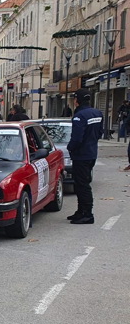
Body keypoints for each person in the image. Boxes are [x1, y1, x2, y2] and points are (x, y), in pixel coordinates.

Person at [67, 88, 103, 224]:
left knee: (82, 185)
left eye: (75, 98)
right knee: (81, 184)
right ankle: (81, 211)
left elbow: (77, 138)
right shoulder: (97, 113)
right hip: (91, 153)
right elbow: (100, 133)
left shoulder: (79, 116)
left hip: (81, 156)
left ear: (77, 100)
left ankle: (87, 214)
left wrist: (70, 148)